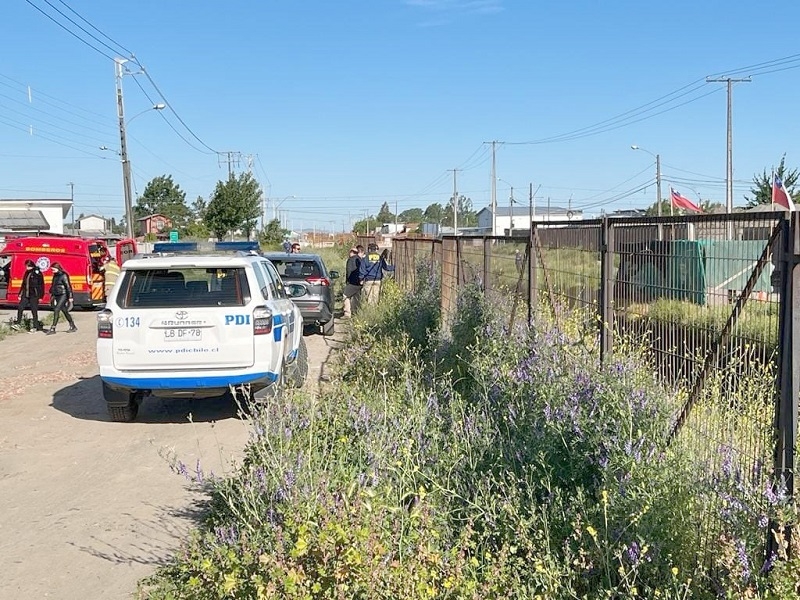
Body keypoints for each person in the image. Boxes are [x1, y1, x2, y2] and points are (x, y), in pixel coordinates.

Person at [12, 259, 45, 332]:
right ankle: (18, 323)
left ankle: (35, 326)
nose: (26, 267)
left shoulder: (37, 273)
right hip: (26, 294)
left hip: (34, 295)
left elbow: (41, 285)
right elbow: (24, 284)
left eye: (27, 266)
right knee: (20, 307)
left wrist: (41, 296)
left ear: (31, 266)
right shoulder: (26, 272)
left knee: (34, 310)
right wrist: (20, 293)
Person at [46, 262, 77, 335]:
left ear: (57, 268)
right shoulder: (55, 275)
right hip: (57, 294)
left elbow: (68, 286)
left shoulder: (64, 275)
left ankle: (53, 328)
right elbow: (54, 285)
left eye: (53, 269)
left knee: (56, 309)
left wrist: (70, 296)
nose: (52, 271)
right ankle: (73, 326)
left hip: (63, 294)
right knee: (65, 311)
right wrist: (51, 292)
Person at [342, 246, 362, 317]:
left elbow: (349, 271)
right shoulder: (360, 259)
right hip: (360, 282)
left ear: (351, 252)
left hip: (352, 282)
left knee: (345, 295)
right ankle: (356, 312)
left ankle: (347, 313)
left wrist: (347, 281)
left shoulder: (350, 260)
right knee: (357, 297)